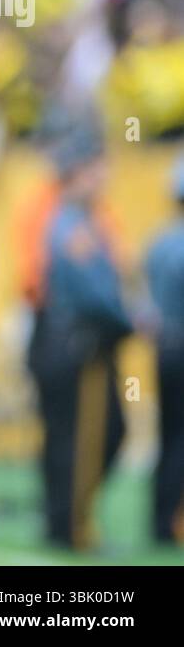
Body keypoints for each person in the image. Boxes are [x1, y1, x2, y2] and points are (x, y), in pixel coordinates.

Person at [26, 131, 131, 550]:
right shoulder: (73, 226)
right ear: (77, 173)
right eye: (96, 168)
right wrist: (133, 322)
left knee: (71, 435)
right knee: (86, 436)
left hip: (66, 341)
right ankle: (71, 525)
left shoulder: (79, 220)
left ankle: (63, 521)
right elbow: (98, 295)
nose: (103, 176)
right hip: (75, 345)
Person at [144, 154, 184, 546]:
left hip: (164, 347)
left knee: (167, 433)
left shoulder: (158, 241)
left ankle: (159, 519)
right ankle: (172, 519)